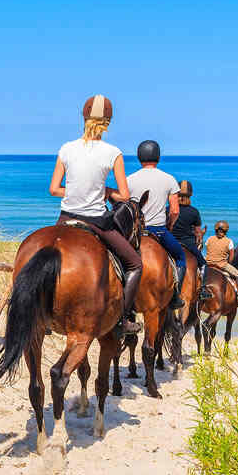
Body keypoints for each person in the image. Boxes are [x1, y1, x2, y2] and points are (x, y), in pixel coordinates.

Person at [49, 94, 143, 334]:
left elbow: (54, 189)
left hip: (65, 217)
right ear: (108, 123)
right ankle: (122, 319)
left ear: (84, 117)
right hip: (96, 221)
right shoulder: (113, 153)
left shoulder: (66, 148)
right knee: (134, 263)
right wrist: (105, 191)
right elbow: (123, 195)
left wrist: (78, 190)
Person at [127, 141, 186, 310]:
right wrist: (170, 225)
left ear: (139, 157)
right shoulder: (169, 179)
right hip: (158, 231)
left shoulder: (129, 179)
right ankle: (175, 296)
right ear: (158, 157)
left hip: (134, 233)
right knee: (181, 257)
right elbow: (174, 210)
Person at [205, 220, 238, 303]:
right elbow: (231, 257)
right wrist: (228, 262)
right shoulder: (229, 241)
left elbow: (207, 249)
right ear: (226, 231)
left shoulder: (209, 239)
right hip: (221, 265)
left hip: (208, 263)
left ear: (216, 229)